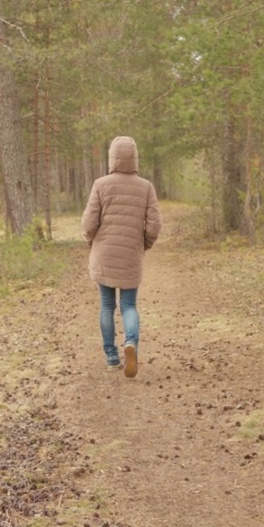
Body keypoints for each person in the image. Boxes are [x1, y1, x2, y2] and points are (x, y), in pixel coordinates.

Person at [81, 136, 162, 378]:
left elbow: (88, 223)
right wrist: (145, 243)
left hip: (103, 254)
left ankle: (111, 356)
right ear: (135, 157)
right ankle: (131, 344)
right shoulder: (146, 187)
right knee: (128, 305)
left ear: (112, 157)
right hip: (130, 255)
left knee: (107, 306)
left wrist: (91, 241)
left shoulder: (100, 184)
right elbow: (155, 225)